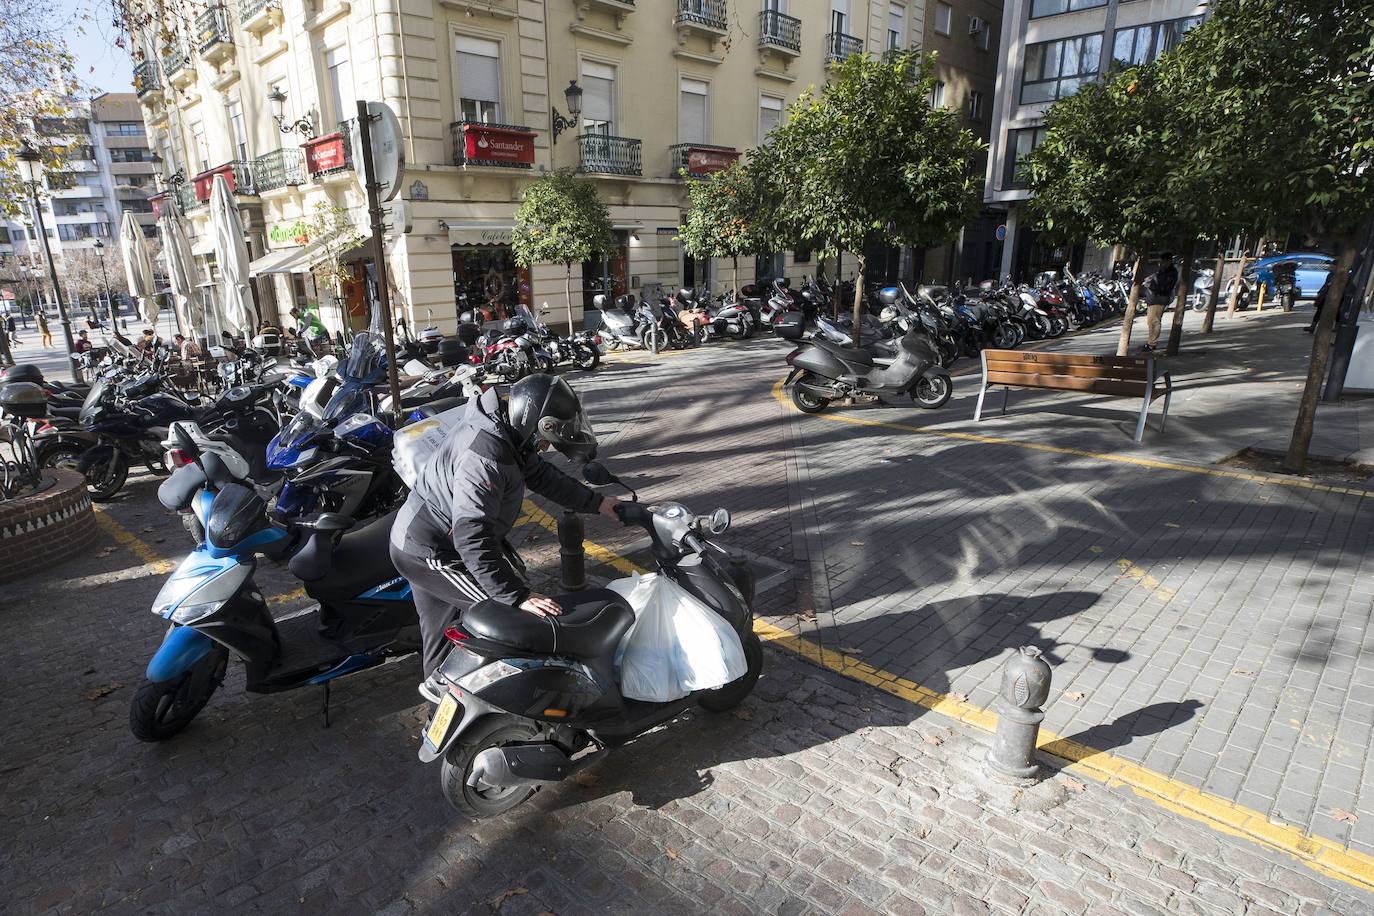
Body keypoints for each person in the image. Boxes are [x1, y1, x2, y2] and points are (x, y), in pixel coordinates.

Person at [390, 374, 624, 678]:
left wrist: (598, 503)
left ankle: (442, 697)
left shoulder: (507, 433)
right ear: (537, 423)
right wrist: (517, 597)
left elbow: (542, 476)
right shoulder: (487, 458)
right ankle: (496, 698)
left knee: (441, 634)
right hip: (432, 550)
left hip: (423, 541)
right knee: (503, 619)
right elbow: (471, 537)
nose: (545, 447)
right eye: (544, 440)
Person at [1141, 251, 1178, 352]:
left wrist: (1152, 286)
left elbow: (1165, 287)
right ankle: (1150, 341)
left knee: (1155, 321)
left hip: (1160, 299)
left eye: (1163, 261)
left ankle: (1152, 343)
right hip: (1153, 298)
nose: (1161, 263)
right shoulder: (1162, 270)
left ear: (1168, 261)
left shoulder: (1171, 272)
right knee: (1150, 321)